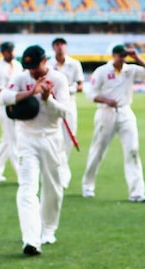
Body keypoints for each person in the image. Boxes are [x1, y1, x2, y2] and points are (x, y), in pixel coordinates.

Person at [0, 45, 70, 256]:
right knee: (27, 187)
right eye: (29, 67)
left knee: (53, 188)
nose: (32, 71)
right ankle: (31, 240)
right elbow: (3, 97)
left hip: (51, 138)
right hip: (27, 139)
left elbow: (64, 112)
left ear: (44, 61)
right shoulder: (22, 78)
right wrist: (30, 92)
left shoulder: (59, 80)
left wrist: (48, 99)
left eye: (35, 66)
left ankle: (48, 229)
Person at [82, 44, 145, 202]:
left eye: (124, 56)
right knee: (98, 150)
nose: (122, 59)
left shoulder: (130, 70)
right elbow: (90, 92)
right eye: (119, 55)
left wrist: (137, 58)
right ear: (114, 55)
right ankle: (88, 186)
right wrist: (106, 100)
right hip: (105, 112)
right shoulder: (102, 71)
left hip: (125, 111)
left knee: (133, 150)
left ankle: (136, 192)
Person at [47, 37, 84, 188]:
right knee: (55, 139)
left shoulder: (74, 64)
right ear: (53, 47)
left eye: (62, 44)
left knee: (68, 139)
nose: (60, 47)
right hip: (52, 105)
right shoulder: (48, 64)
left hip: (69, 104)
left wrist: (68, 89)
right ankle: (60, 173)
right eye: (57, 45)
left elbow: (81, 85)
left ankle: (62, 169)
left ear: (65, 46)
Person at [0, 41, 22, 183]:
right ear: (3, 52)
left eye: (13, 50)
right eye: (9, 51)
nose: (12, 53)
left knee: (7, 140)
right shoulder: (0, 69)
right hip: (6, 107)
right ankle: (21, 175)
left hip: (17, 105)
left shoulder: (17, 65)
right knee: (13, 140)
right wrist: (14, 95)